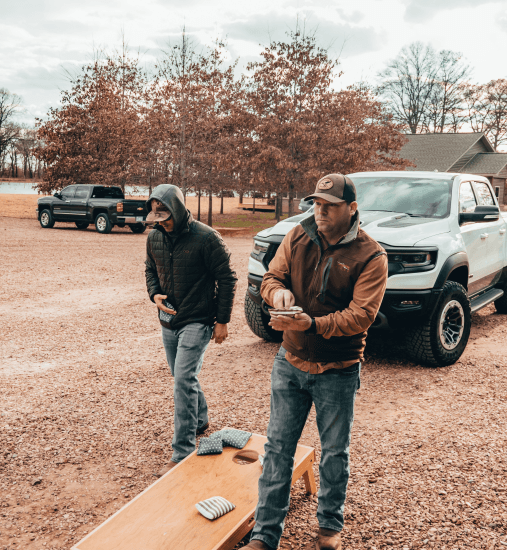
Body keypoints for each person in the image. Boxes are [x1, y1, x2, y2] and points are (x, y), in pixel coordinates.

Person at [243, 174, 388, 550]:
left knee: (334, 453)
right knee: (277, 448)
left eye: (329, 205)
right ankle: (264, 535)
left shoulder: (371, 255)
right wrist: (277, 295)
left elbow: (361, 316)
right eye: (316, 203)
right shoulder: (297, 235)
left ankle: (328, 529)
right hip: (289, 361)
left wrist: (313, 323)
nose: (319, 211)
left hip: (337, 370)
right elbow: (270, 276)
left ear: (352, 209)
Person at [144, 184, 237, 473]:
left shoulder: (208, 238)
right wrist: (154, 294)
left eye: (167, 217)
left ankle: (182, 451)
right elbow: (150, 269)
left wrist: (222, 321)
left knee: (182, 379)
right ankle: (199, 420)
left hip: (198, 319)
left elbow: (228, 279)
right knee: (182, 375)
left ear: (179, 209)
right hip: (168, 320)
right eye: (157, 218)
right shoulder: (154, 237)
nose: (163, 223)